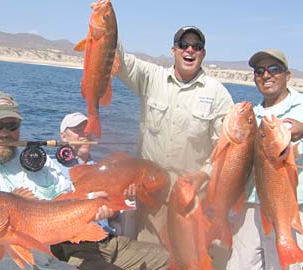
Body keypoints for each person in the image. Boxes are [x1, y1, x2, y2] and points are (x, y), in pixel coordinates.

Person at [0, 90, 113, 270]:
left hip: (43, 264)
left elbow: (67, 198)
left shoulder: (40, 161)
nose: (4, 133)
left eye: (12, 126)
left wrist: (93, 204)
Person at [115, 25, 234, 247]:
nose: (190, 50)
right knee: (151, 259)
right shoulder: (151, 77)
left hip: (191, 203)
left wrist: (204, 174)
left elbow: (227, 150)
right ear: (174, 50)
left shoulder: (218, 93)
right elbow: (119, 61)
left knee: (186, 260)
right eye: (184, 45)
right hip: (151, 198)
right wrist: (107, 22)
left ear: (203, 54)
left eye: (196, 47)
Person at [50, 112, 170, 270]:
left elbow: (113, 212)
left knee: (169, 258)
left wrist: (120, 203)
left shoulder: (105, 166)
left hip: (111, 241)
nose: (84, 134)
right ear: (63, 136)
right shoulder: (51, 169)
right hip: (79, 246)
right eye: (77, 130)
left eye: (87, 129)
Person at [226, 49, 303, 270]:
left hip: (290, 208)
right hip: (250, 207)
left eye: (274, 69)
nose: (266, 75)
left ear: (288, 76)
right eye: (259, 71)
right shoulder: (253, 116)